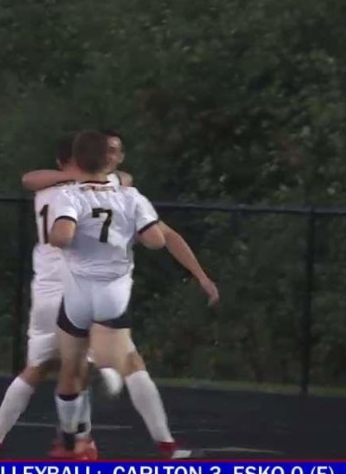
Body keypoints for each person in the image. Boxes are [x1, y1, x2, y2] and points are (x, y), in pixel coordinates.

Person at [21, 130, 219, 395]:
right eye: (107, 152)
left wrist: (201, 275)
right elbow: (160, 236)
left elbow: (29, 179)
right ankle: (102, 377)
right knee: (87, 365)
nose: (112, 157)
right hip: (78, 285)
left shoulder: (103, 192)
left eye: (115, 151)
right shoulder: (92, 193)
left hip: (65, 287)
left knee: (51, 369)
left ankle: (88, 392)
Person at [48, 130, 201, 459]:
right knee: (132, 364)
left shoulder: (68, 195)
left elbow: (62, 235)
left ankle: (69, 442)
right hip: (111, 292)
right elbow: (156, 241)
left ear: (77, 160)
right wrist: (128, 231)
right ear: (109, 160)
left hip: (77, 294)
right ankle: (166, 445)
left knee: (70, 368)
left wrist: (68, 234)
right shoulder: (130, 197)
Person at [0, 136, 100, 460]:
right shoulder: (88, 191)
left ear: (60, 162)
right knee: (78, 369)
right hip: (73, 289)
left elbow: (28, 179)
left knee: (35, 368)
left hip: (44, 290)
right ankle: (78, 442)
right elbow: (124, 181)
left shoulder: (45, 190)